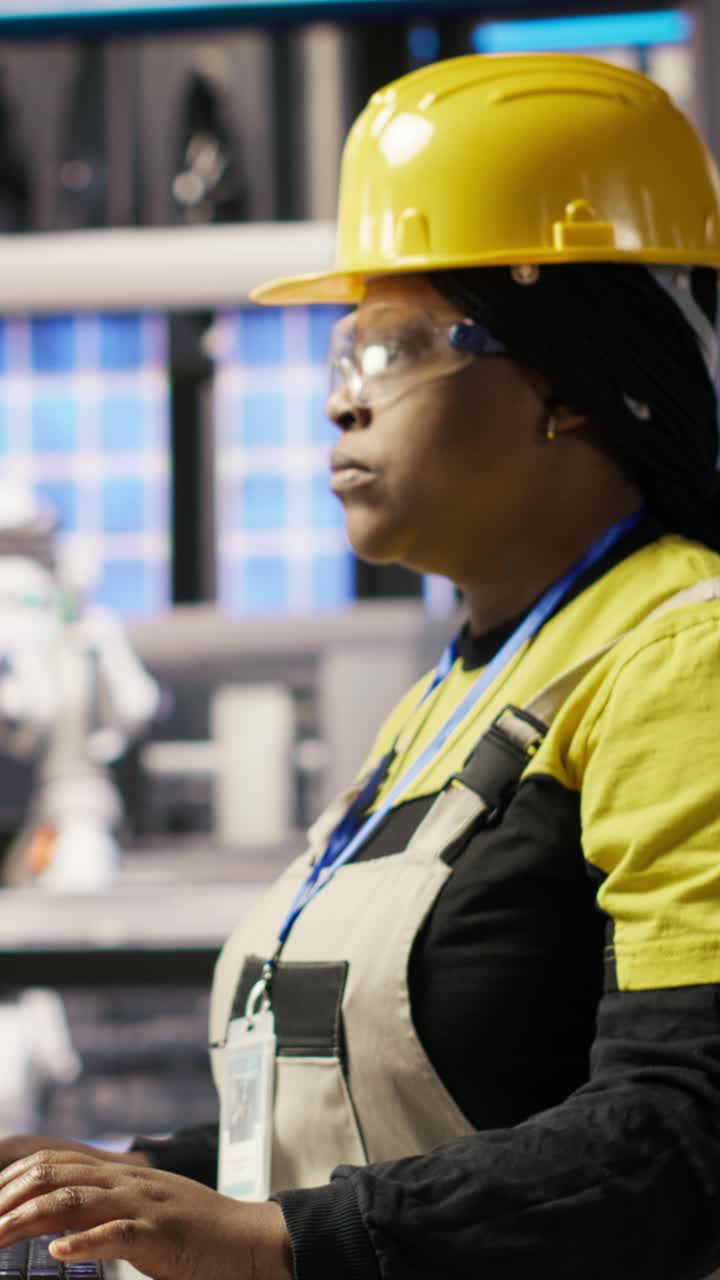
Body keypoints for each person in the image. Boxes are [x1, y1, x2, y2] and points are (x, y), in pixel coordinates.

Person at [0, 50, 720, 1280]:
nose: (339, 404)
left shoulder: (683, 655)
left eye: (388, 350)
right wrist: (119, 1185)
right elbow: (400, 1120)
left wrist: (281, 1237)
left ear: (569, 380)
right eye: (336, 362)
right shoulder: (476, 677)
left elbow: (684, 1138)